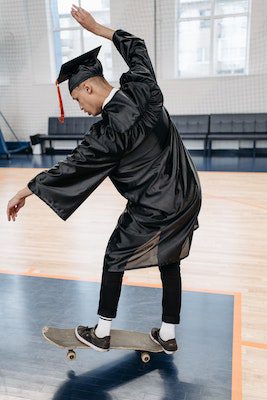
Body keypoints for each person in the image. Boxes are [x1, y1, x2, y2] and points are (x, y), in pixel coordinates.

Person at [6, 5, 202, 355]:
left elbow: (73, 166)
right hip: (187, 193)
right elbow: (136, 46)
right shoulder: (144, 85)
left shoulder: (108, 132)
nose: (80, 106)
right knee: (169, 258)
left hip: (155, 205)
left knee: (115, 254)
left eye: (78, 97)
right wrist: (98, 28)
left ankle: (101, 330)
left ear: (89, 86)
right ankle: (168, 334)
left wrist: (26, 190)